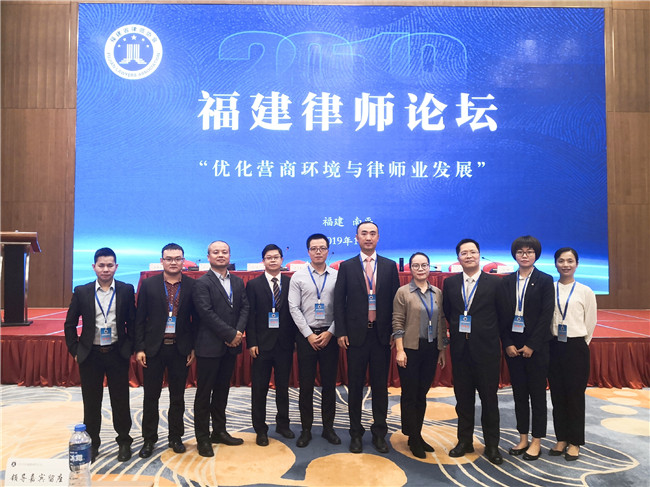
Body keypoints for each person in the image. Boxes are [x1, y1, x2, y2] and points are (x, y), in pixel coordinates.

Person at [63, 247, 135, 463]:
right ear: (94, 267)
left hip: (117, 353)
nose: (105, 269)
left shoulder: (126, 290)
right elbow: (69, 324)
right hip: (90, 354)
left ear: (116, 267)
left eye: (110, 265)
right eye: (101, 265)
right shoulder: (82, 291)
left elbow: (132, 322)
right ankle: (92, 443)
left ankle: (124, 441)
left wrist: (129, 348)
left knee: (120, 400)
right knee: (91, 401)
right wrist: (75, 350)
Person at [334, 221, 400, 454]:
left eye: (373, 233)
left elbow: (396, 303)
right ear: (357, 238)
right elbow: (339, 302)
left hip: (382, 337)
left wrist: (395, 333)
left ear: (378, 237)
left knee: (380, 388)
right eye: (364, 233)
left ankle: (379, 433)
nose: (368, 237)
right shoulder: (347, 266)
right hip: (356, 337)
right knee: (355, 387)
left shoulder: (390, 266)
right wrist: (341, 331)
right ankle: (356, 433)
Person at [442, 238, 505, 465]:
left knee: (489, 400)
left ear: (479, 255)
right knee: (463, 400)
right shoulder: (450, 283)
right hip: (461, 351)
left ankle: (492, 445)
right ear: (458, 257)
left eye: (473, 252)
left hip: (487, 351)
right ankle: (464, 441)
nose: (469, 256)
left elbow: (502, 315)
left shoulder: (495, 283)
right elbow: (449, 312)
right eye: (464, 253)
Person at [135, 243, 197, 458]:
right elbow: (139, 319)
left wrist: (192, 347)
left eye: (177, 258)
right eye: (169, 258)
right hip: (154, 348)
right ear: (162, 261)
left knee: (177, 397)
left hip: (180, 349)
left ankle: (175, 437)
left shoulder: (192, 285)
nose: (173, 262)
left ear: (183, 261)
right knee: (151, 397)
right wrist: (140, 347)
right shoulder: (149, 284)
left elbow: (195, 320)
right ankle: (149, 439)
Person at [192, 240, 249, 457]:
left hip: (230, 347)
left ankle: (219, 431)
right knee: (204, 394)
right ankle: (202, 438)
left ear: (230, 255)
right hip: (209, 346)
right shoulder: (202, 283)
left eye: (224, 252)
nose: (220, 255)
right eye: (216, 252)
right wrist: (230, 334)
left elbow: (245, 307)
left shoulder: (237, 281)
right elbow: (206, 313)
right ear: (208, 257)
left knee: (222, 391)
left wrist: (238, 332)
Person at [499, 236, 554, 461]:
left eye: (529, 251)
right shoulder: (506, 282)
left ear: (536, 255)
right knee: (519, 395)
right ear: (515, 255)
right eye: (520, 251)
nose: (524, 255)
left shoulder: (545, 280)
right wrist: (508, 343)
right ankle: (522, 437)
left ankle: (537, 440)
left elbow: (546, 315)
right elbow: (502, 316)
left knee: (537, 396)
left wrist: (532, 345)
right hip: (513, 348)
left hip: (536, 348)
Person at [288, 234, 341, 448]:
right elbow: (294, 307)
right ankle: (306, 429)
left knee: (329, 385)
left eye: (322, 248)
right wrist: (308, 334)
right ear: (308, 251)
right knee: (306, 385)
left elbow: (343, 306)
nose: (318, 252)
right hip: (306, 338)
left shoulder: (338, 276)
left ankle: (328, 428)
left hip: (330, 337)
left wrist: (331, 332)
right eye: (313, 248)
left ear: (328, 250)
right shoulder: (298, 277)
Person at [392, 252, 447, 459]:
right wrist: (400, 350)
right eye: (416, 265)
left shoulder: (437, 292)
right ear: (410, 269)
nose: (421, 269)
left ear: (429, 267)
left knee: (422, 394)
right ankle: (412, 436)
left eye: (424, 265)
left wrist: (442, 349)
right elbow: (397, 321)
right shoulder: (403, 292)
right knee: (410, 393)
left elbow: (441, 321)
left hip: (431, 348)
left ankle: (417, 433)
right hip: (410, 349)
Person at [548, 247, 597, 461]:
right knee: (557, 395)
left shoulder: (585, 291)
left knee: (575, 396)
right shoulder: (550, 289)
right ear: (555, 263)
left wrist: (580, 343)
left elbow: (590, 322)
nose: (565, 265)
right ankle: (561, 438)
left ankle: (575, 441)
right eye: (561, 261)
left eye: (570, 261)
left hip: (576, 347)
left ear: (577, 264)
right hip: (553, 346)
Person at [246, 244, 297, 446]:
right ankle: (260, 429)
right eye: (269, 257)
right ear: (263, 261)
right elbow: (250, 315)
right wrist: (252, 342)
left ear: (282, 259)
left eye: (276, 257)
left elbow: (295, 312)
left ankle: (283, 424)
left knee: (283, 387)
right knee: (259, 389)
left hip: (285, 344)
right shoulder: (253, 284)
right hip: (261, 345)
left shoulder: (291, 282)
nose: (273, 260)